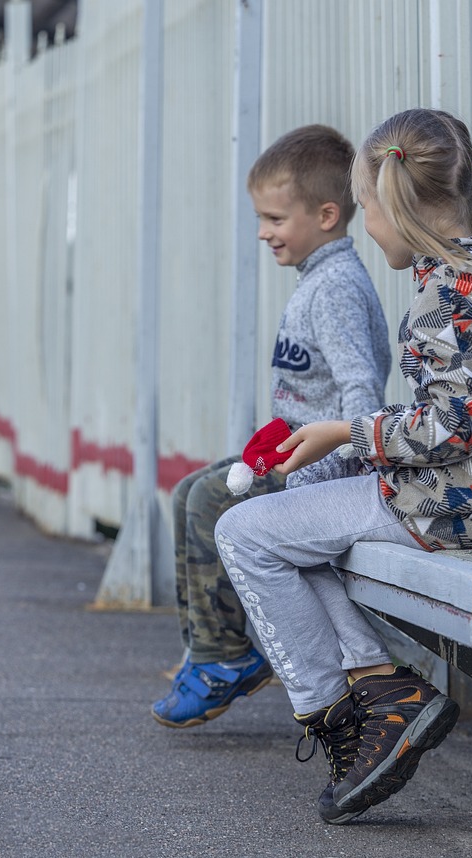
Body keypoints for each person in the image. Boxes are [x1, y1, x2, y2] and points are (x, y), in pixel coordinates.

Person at [214, 108, 472, 824]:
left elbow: (449, 426)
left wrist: (347, 431)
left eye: (368, 210)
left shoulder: (444, 296)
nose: (367, 228)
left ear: (396, 207)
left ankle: (340, 715)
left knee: (245, 533)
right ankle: (378, 683)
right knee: (296, 534)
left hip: (456, 503)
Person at [152, 125, 391, 729]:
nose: (264, 232)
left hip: (319, 467)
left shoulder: (333, 287)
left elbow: (361, 385)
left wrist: (348, 459)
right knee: (191, 491)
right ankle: (220, 646)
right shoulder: (317, 278)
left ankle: (225, 657)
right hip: (292, 454)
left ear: (327, 215)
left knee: (208, 498)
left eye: (275, 218)